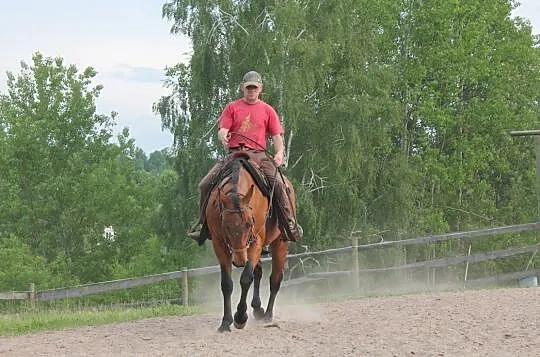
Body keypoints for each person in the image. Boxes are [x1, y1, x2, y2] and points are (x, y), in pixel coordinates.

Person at [187, 70, 303, 245]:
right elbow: (223, 129)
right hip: (234, 155)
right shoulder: (232, 107)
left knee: (279, 184)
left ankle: (289, 224)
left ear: (260, 89)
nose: (251, 91)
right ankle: (204, 226)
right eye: (248, 88)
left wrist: (279, 153)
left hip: (259, 155)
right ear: (242, 87)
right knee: (204, 184)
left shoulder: (267, 110)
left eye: (254, 88)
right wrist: (222, 135)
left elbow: (277, 136)